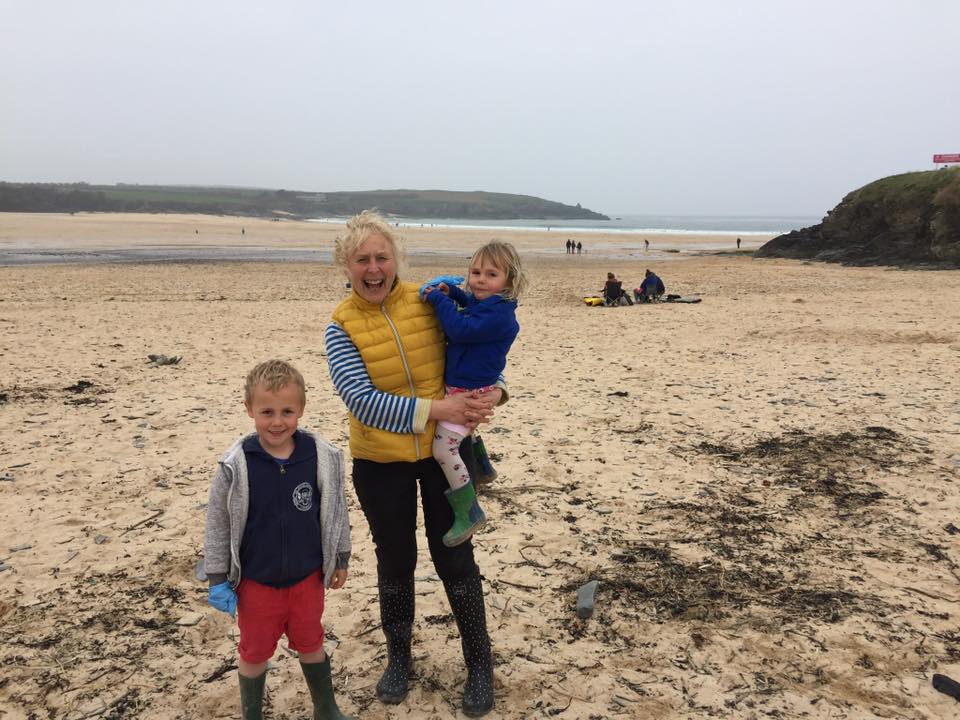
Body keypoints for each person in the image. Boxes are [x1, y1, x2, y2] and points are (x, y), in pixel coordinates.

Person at [324, 210, 503, 717]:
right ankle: (399, 658)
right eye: (363, 260)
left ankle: (480, 666)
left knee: (456, 558)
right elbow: (361, 401)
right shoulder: (340, 326)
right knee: (395, 559)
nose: (374, 268)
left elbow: (483, 352)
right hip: (380, 462)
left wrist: (495, 395)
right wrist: (439, 409)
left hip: (443, 456)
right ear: (347, 264)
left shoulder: (431, 301)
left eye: (382, 257)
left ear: (397, 260)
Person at [203, 360, 354, 720]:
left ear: (301, 409)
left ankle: (326, 708)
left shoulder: (320, 457)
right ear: (249, 410)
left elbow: (336, 510)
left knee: (312, 643)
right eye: (266, 411)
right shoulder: (236, 466)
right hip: (257, 583)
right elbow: (218, 524)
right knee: (254, 653)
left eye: (287, 411)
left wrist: (341, 557)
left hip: (307, 579)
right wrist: (216, 578)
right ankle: (252, 713)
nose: (277, 421)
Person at [422, 241, 526, 547]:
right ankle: (482, 466)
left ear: (509, 280)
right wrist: (453, 293)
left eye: (491, 274)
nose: (480, 279)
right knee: (468, 427)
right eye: (476, 272)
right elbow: (469, 304)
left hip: (470, 390)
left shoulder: (499, 316)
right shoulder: (491, 305)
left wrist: (438, 302)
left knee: (444, 449)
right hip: (469, 384)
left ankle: (470, 510)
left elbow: (461, 329)